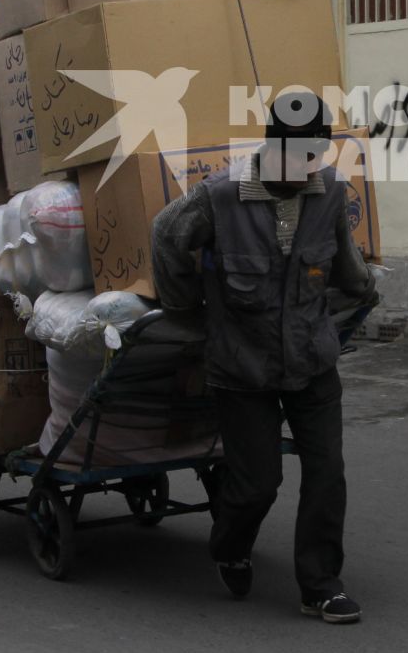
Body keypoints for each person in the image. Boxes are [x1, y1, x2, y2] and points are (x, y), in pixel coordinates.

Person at [149, 94, 377, 623]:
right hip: (243, 365)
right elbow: (166, 236)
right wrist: (185, 310)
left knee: (327, 472)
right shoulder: (220, 197)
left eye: (312, 157)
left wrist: (365, 291)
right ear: (272, 148)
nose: (303, 169)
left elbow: (345, 263)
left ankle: (321, 585)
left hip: (311, 360)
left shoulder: (329, 193)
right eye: (294, 157)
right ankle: (229, 545)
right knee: (257, 486)